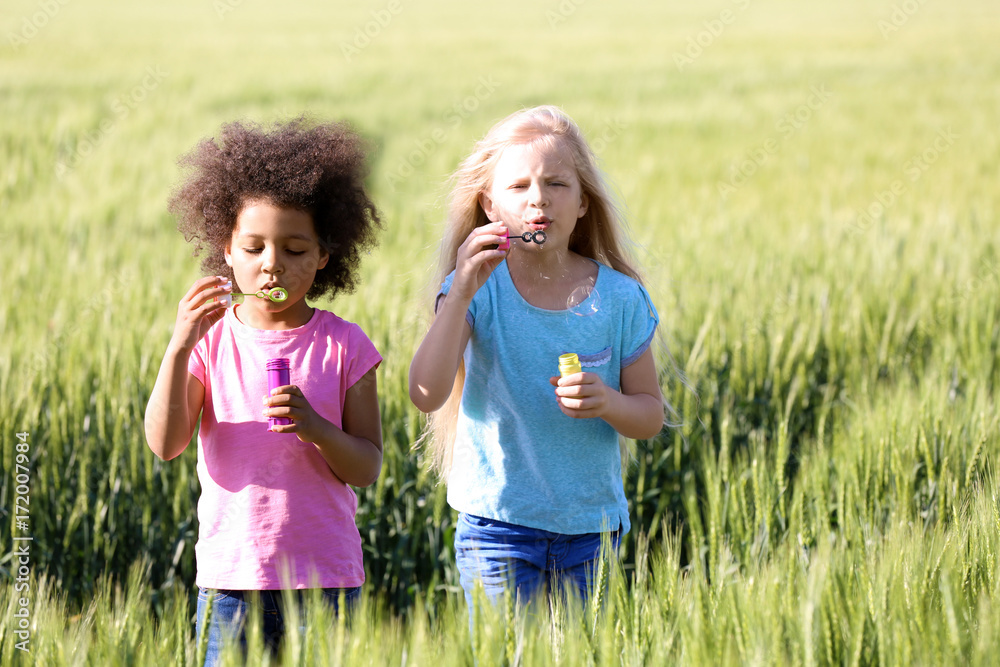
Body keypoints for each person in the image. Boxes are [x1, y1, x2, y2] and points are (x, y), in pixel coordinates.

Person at [143, 118, 383, 664]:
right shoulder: (210, 344)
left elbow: (367, 467)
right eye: (253, 247)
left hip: (326, 582)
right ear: (226, 249)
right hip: (232, 582)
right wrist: (179, 346)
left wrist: (317, 429)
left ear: (325, 255)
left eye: (295, 249)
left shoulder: (346, 346)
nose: (272, 263)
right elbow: (164, 443)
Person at [408, 105, 664, 611]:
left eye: (556, 184)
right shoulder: (477, 291)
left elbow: (649, 416)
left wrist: (608, 401)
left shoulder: (618, 298)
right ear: (487, 204)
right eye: (518, 186)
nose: (538, 200)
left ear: (584, 202)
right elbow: (425, 392)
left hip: (591, 532)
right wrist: (458, 293)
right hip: (497, 527)